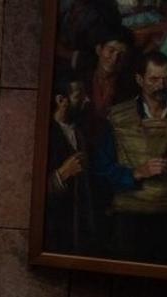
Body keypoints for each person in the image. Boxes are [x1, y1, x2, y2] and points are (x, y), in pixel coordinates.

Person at [92, 50, 167, 264]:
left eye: (166, 79)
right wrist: (137, 172)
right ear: (139, 79)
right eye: (153, 79)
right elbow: (100, 170)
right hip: (132, 218)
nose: (161, 85)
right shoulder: (118, 117)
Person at [45, 75, 104, 254]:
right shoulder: (46, 133)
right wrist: (62, 174)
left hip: (81, 229)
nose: (86, 100)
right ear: (61, 100)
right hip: (55, 228)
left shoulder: (82, 132)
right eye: (79, 96)